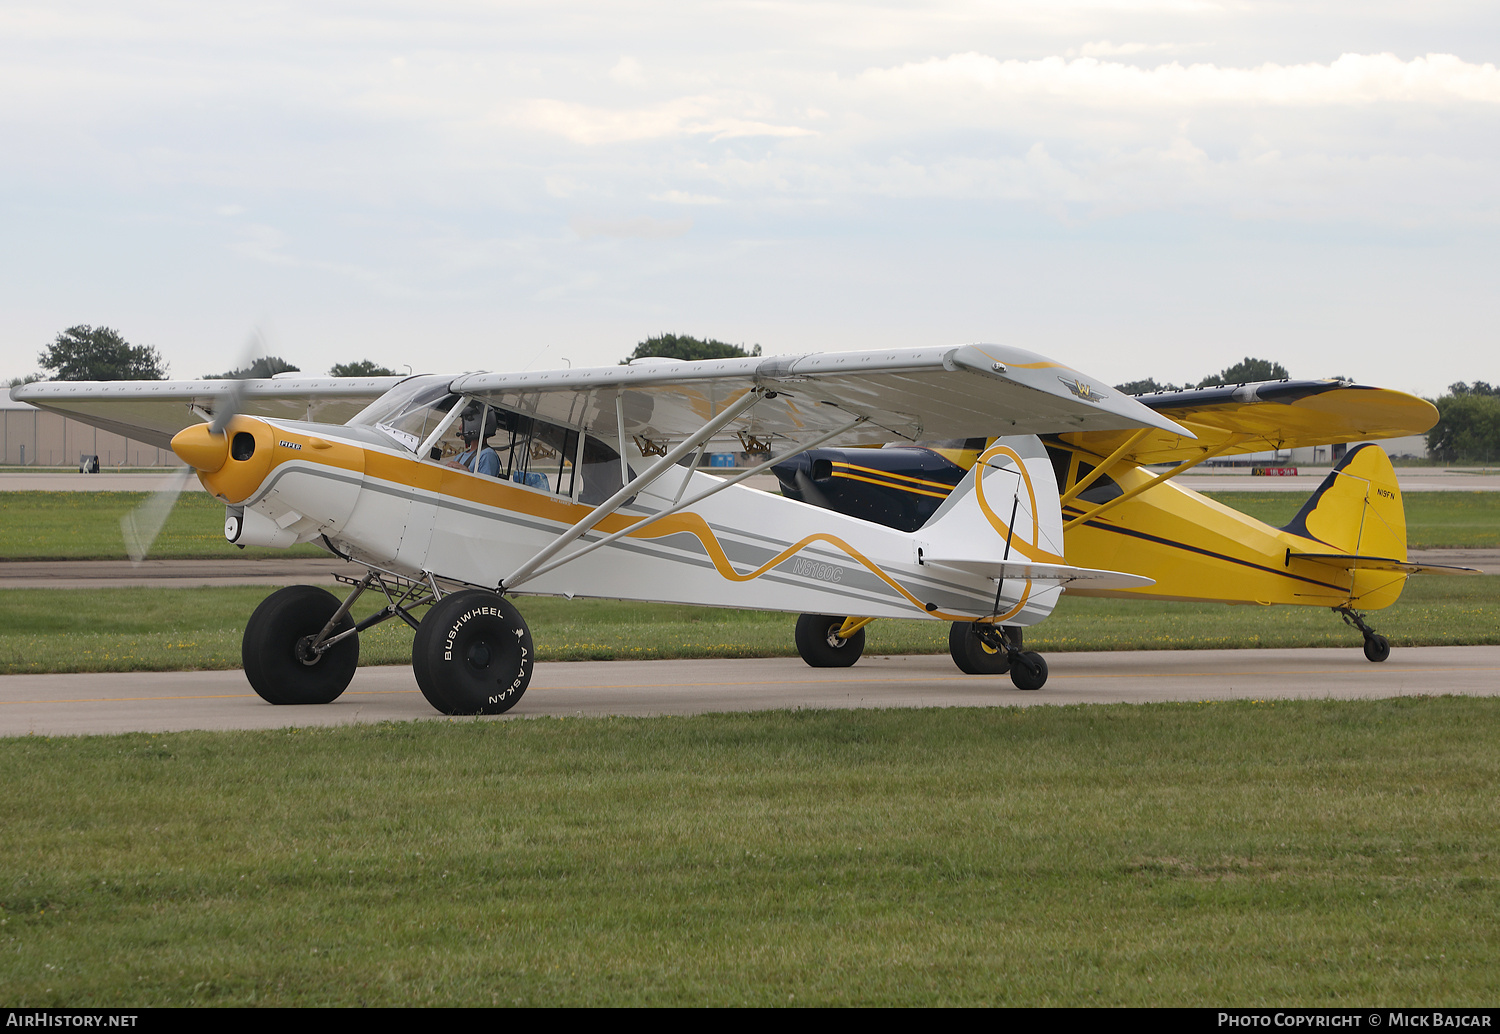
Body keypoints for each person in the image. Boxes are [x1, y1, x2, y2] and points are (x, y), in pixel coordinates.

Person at [448, 405, 500, 477]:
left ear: (475, 424)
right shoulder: (460, 456)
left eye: (464, 422)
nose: (460, 427)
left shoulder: (487, 455)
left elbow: (485, 483)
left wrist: (467, 473)